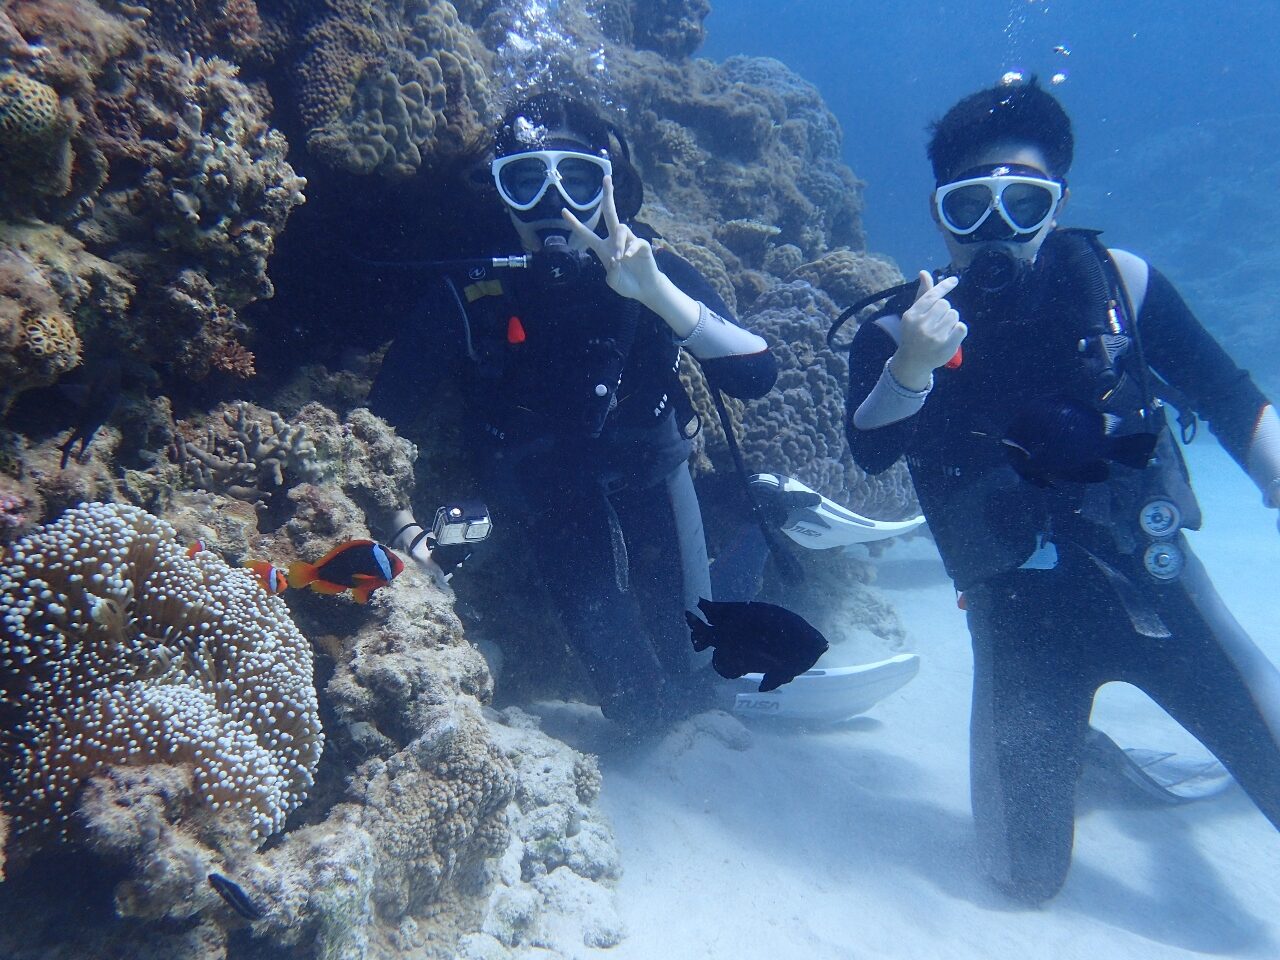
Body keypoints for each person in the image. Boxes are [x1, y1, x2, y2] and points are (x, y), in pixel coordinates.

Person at [843, 79, 1280, 903]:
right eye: (972, 206)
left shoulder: (1124, 286)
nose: (997, 230)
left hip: (1159, 588)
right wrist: (910, 368)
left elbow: (1227, 395)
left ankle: (1099, 746)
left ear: (1059, 202)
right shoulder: (896, 329)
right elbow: (868, 454)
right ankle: (1086, 753)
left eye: (1025, 202)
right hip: (1019, 622)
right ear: (941, 214)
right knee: (1023, 877)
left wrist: (1274, 468)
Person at [369, 93, 777, 732]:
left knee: (696, 662)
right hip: (549, 497)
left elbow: (757, 374)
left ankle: (757, 513)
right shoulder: (469, 288)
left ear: (608, 185)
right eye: (527, 179)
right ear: (501, 193)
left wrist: (659, 295)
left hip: (651, 468)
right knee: (638, 710)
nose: (554, 205)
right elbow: (379, 425)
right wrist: (402, 529)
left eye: (578, 177)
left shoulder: (652, 265)